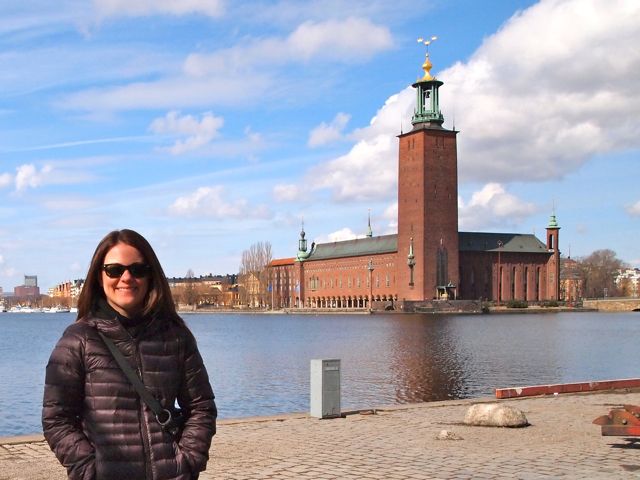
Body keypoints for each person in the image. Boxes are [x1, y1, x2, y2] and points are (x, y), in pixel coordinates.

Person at [42, 229, 217, 480]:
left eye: (137, 269)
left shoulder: (175, 337)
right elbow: (56, 418)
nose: (126, 277)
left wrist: (187, 461)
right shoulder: (78, 340)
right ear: (98, 276)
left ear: (150, 275)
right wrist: (89, 469)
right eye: (114, 270)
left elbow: (201, 407)